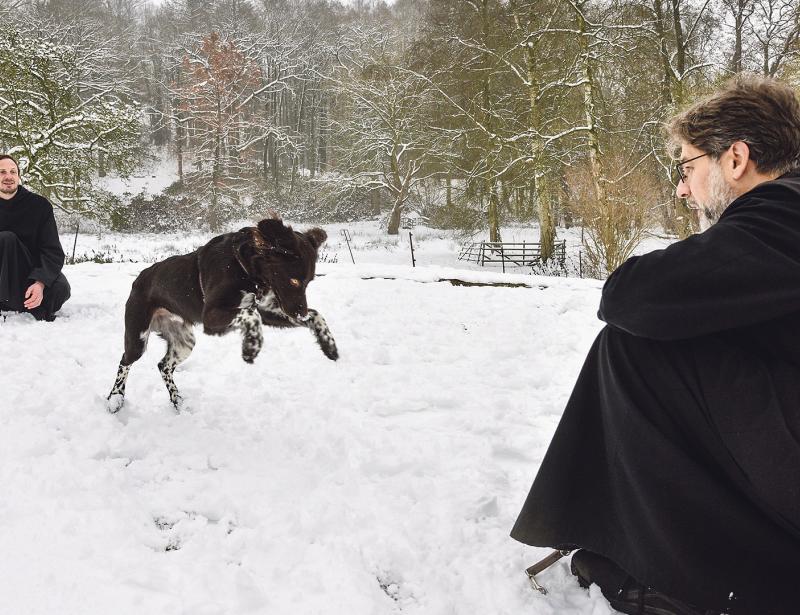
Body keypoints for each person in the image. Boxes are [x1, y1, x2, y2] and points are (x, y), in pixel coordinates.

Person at [511, 75, 800, 615]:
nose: (682, 189)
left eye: (688, 167)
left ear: (735, 158)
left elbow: (632, 297)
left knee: (635, 349)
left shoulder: (784, 211)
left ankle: (697, 584)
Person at [0, 154, 70, 321]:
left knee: (61, 288)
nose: (8, 176)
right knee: (6, 239)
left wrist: (40, 282)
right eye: (2, 172)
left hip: (28, 273)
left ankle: (19, 302)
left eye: (13, 171)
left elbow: (52, 251)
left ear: (18, 176)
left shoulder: (39, 206)